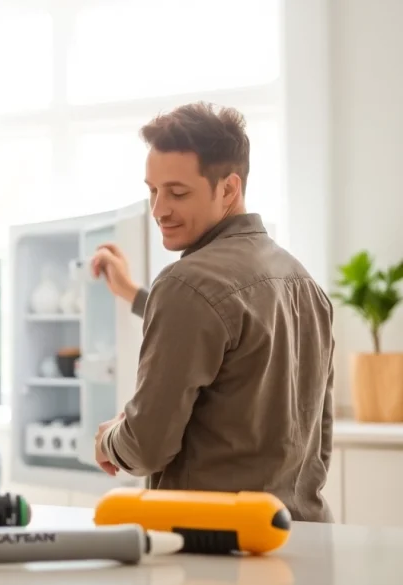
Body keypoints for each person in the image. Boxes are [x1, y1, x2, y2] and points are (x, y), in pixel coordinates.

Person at [89, 102, 336, 522]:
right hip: (302, 533)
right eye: (152, 190)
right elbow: (319, 435)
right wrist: (133, 294)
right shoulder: (303, 282)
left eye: (177, 192)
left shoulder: (186, 283)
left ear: (229, 188)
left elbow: (147, 446)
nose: (159, 209)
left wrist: (110, 439)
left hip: (217, 542)